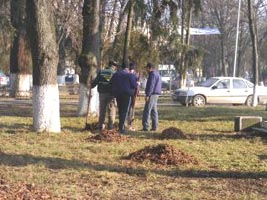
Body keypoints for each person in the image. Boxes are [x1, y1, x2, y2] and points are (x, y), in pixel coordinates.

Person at [111, 63, 138, 134]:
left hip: (118, 94)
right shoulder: (130, 75)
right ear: (127, 68)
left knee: (120, 110)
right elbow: (134, 85)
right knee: (125, 111)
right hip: (127, 95)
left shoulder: (116, 74)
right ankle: (122, 127)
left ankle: (121, 125)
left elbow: (111, 83)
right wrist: (137, 84)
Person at [91, 61, 118, 131]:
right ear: (113, 66)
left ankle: (101, 125)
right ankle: (110, 126)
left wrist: (91, 85)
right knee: (111, 110)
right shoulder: (114, 73)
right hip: (111, 94)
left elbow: (96, 81)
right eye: (115, 66)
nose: (115, 68)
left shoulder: (101, 72)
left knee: (102, 110)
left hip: (102, 93)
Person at [141, 62, 162, 131]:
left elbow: (151, 85)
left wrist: (148, 95)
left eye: (147, 68)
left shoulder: (152, 75)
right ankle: (154, 126)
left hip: (152, 94)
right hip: (156, 94)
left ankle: (146, 126)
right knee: (154, 111)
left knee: (147, 110)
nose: (146, 70)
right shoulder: (157, 74)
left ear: (150, 68)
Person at [126, 62, 140, 131]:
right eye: (131, 69)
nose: (131, 70)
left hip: (133, 95)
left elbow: (137, 86)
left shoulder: (136, 75)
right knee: (128, 109)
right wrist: (136, 84)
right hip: (128, 94)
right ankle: (127, 124)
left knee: (131, 109)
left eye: (132, 69)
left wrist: (137, 91)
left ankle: (129, 124)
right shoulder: (127, 74)